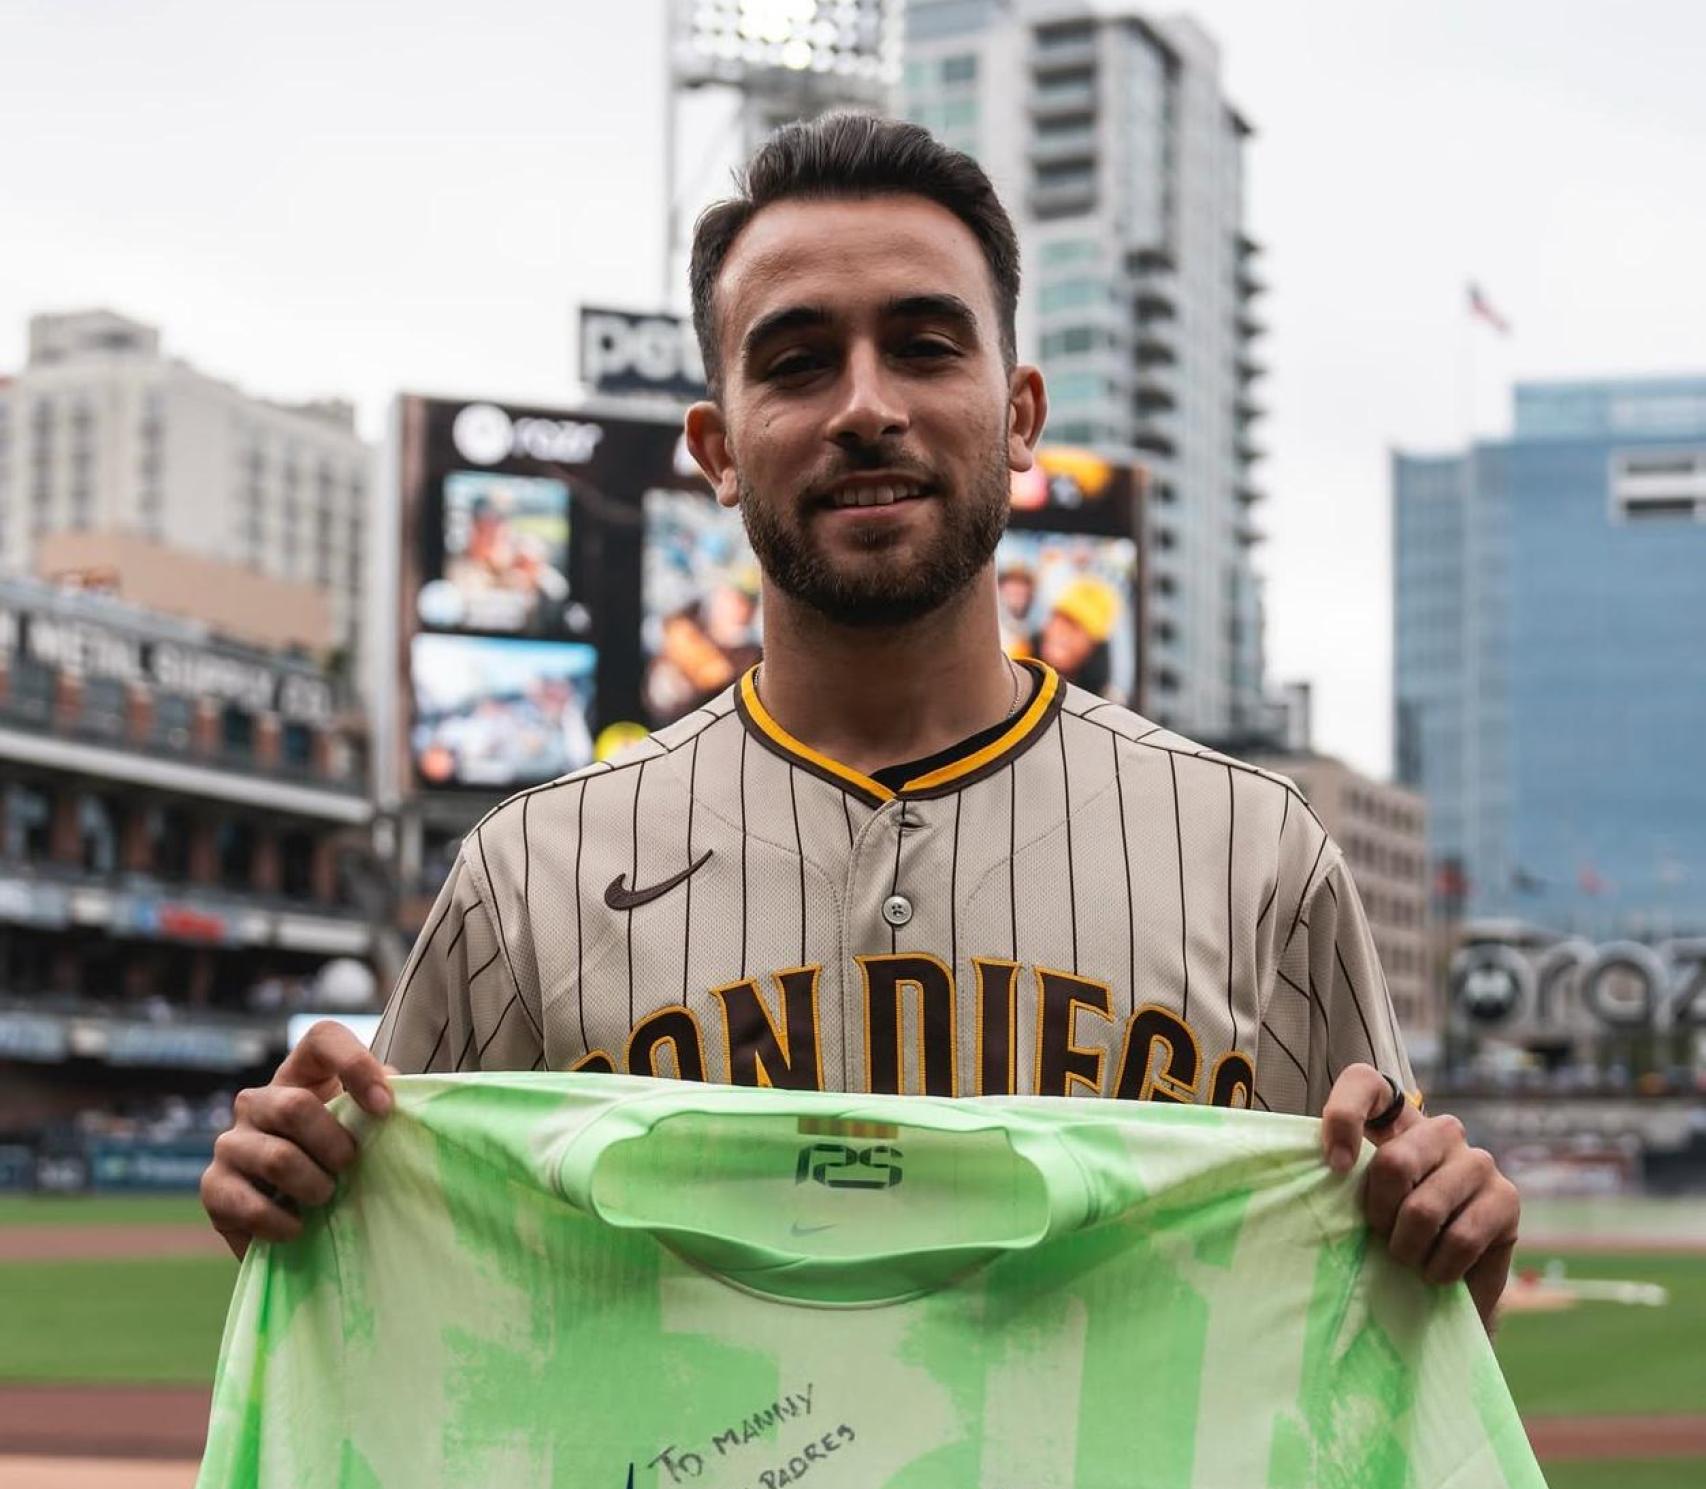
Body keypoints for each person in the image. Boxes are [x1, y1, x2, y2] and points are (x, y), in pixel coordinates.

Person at [200, 112, 1519, 1325]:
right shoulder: (523, 874)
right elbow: (409, 1312)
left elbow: (1380, 1329)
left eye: (925, 344)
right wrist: (298, 1199)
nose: (867, 403)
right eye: (797, 361)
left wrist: (1449, 1240)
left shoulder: (1256, 854)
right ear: (716, 450)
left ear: (1018, 419)